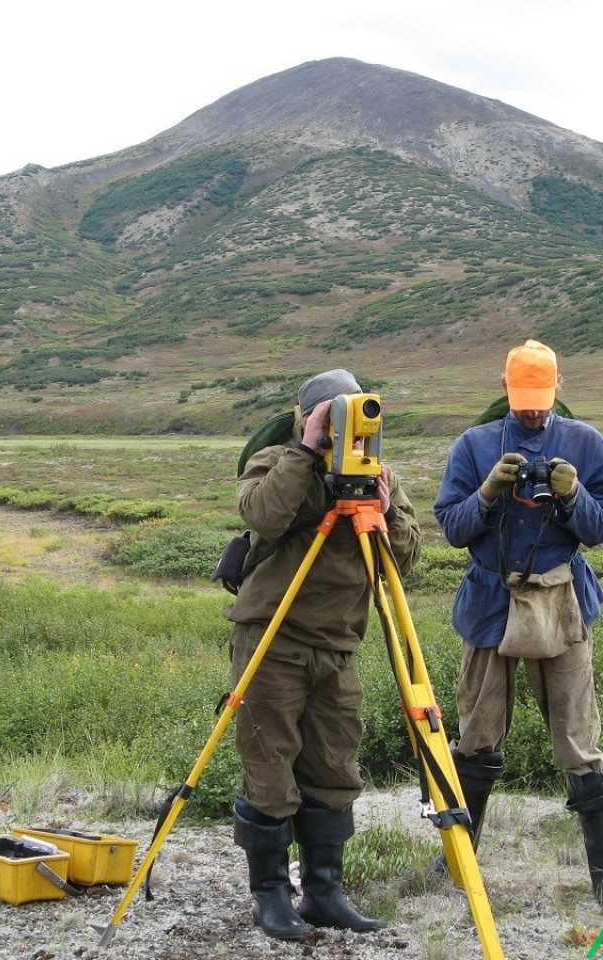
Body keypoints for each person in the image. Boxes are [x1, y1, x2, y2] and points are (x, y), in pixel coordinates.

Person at [432, 339, 603, 911]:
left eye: (541, 401)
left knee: (579, 738)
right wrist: (490, 491)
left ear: (557, 389)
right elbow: (453, 527)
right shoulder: (473, 446)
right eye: (523, 400)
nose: (532, 411)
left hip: (560, 602)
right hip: (491, 602)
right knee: (475, 733)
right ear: (504, 387)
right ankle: (456, 858)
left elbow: (599, 530)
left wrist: (572, 495)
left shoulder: (586, 444)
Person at [226, 369, 422, 940]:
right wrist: (306, 451)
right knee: (269, 766)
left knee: (334, 768)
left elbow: (405, 560)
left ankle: (324, 892)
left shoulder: (376, 473)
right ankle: (270, 897)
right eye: (333, 418)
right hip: (274, 638)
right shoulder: (275, 460)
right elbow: (262, 513)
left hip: (339, 645)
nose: (348, 431)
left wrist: (384, 512)